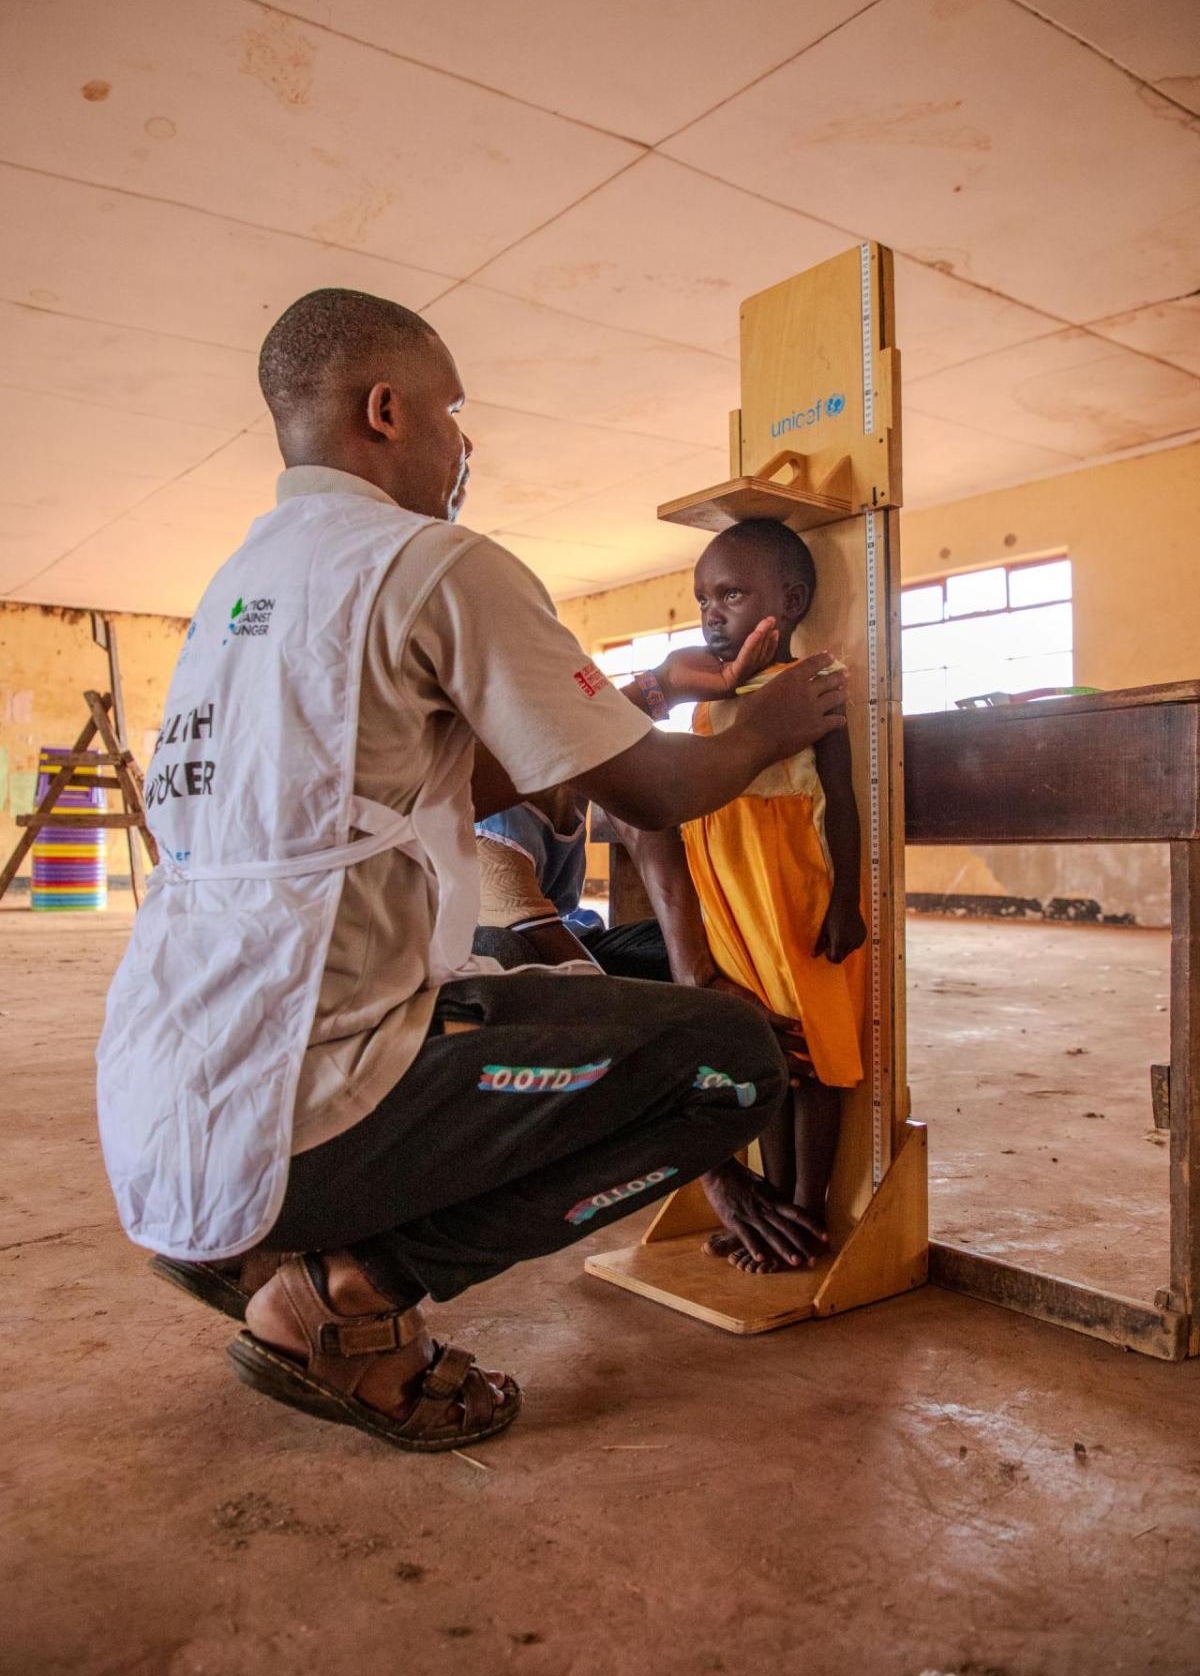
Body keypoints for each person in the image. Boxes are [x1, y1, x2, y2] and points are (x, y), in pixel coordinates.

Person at [97, 288, 850, 1455]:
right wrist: (765, 728)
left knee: (550, 996)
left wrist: (642, 698)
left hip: (165, 1103)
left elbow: (434, 788)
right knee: (730, 1064)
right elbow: (648, 794)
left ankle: (259, 1250)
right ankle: (349, 1291)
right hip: (297, 1112)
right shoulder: (432, 559)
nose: (464, 446)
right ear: (388, 409)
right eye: (454, 411)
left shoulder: (242, 590)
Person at [619, 518, 867, 1275]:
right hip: (731, 899)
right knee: (765, 1053)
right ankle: (771, 1205)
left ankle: (806, 1206)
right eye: (702, 599)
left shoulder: (811, 688)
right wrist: (718, 681)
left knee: (815, 1055)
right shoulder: (705, 703)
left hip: (794, 891)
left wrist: (847, 899)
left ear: (789, 601)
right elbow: (665, 682)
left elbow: (843, 803)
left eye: (731, 594)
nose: (712, 613)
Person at [473, 783, 672, 980]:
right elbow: (558, 953)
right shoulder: (490, 827)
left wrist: (691, 968)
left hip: (562, 933)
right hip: (511, 950)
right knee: (502, 947)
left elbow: (640, 821)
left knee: (674, 944)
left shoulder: (569, 786)